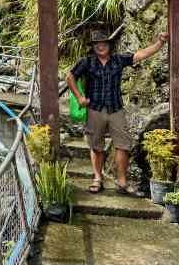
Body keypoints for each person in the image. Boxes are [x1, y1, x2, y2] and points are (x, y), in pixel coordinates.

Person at [65, 29, 168, 195]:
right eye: (97, 44)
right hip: (95, 109)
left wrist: (160, 42)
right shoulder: (87, 62)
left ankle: (122, 182)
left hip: (116, 109)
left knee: (123, 145)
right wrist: (79, 98)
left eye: (103, 43)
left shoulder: (118, 60)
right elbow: (69, 77)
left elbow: (140, 54)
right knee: (96, 146)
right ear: (93, 47)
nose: (100, 47)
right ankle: (97, 178)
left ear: (109, 45)